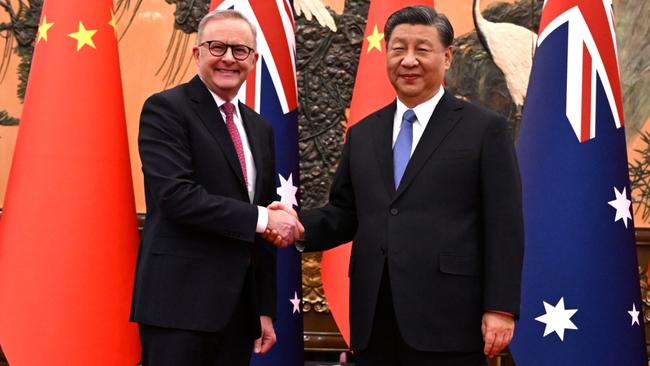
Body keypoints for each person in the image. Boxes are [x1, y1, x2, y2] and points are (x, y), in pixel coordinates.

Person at [268, 5, 523, 366]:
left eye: (422, 49)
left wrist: (500, 307)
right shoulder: (363, 133)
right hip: (376, 319)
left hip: (449, 321)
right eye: (398, 48)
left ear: (446, 57)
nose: (408, 60)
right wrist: (296, 225)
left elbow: (505, 224)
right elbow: (345, 213)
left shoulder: (484, 130)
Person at [130, 9, 303, 366]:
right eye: (217, 47)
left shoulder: (259, 128)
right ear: (197, 54)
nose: (228, 57)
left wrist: (264, 308)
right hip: (178, 308)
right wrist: (263, 220)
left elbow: (263, 229)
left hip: (238, 314)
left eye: (239, 50)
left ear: (253, 60)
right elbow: (177, 197)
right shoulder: (166, 110)